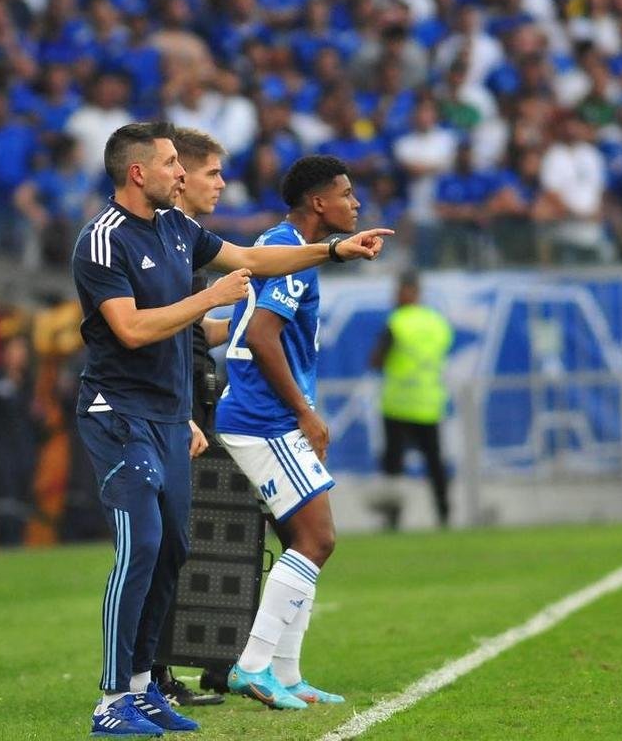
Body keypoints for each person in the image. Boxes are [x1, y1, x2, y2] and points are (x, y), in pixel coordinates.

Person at [72, 124, 389, 737]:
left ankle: (143, 688)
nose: (181, 173)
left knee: (173, 550)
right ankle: (111, 700)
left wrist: (334, 252)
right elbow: (131, 330)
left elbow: (251, 260)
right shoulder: (103, 239)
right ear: (138, 172)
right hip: (119, 413)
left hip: (170, 415)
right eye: (171, 163)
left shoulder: (175, 227)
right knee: (141, 548)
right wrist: (210, 298)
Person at [214, 154, 372, 712]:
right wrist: (305, 413)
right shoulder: (292, 256)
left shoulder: (280, 245)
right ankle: (253, 666)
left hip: (259, 412)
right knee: (317, 540)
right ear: (318, 202)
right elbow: (261, 335)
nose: (355, 203)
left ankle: (287, 673)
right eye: (346, 194)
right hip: (265, 417)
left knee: (299, 542)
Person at [147, 126, 233, 708]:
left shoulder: (184, 241)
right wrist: (179, 412)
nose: (220, 184)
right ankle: (148, 675)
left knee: (178, 539)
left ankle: (160, 671)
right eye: (211, 173)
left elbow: (195, 329)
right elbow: (157, 333)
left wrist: (247, 320)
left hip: (188, 399)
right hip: (170, 405)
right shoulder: (167, 240)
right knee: (162, 541)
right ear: (180, 179)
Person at [369, 271, 455, 529]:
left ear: (409, 291)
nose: (395, 296)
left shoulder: (397, 322)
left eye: (399, 291)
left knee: (393, 466)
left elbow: (376, 360)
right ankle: (444, 515)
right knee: (435, 463)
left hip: (398, 405)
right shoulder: (437, 322)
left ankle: (393, 519)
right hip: (429, 403)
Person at [0, 334, 38, 547]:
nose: (18, 355)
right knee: (4, 493)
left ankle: (19, 539)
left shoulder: (29, 383)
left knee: (23, 493)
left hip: (25, 445)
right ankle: (4, 540)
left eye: (22, 350)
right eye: (14, 349)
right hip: (1, 445)